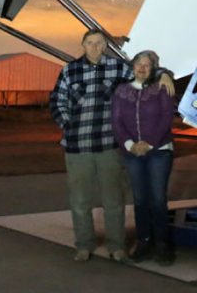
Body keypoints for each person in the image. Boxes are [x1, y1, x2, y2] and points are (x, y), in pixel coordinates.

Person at [49, 29, 173, 263]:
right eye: (91, 43)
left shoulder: (118, 68)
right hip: (78, 146)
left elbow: (144, 72)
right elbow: (57, 100)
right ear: (83, 44)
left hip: (109, 145)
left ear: (105, 46)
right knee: (80, 201)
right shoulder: (69, 70)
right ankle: (84, 245)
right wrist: (67, 124)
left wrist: (164, 74)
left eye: (100, 43)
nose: (96, 47)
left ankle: (116, 247)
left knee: (113, 201)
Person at [111, 50, 177, 266]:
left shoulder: (162, 89)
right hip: (132, 154)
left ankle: (162, 245)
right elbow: (117, 121)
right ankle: (144, 242)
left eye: (147, 64)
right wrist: (130, 145)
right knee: (140, 200)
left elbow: (166, 118)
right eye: (138, 63)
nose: (142, 67)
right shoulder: (121, 91)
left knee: (157, 199)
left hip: (159, 152)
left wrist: (148, 143)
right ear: (133, 67)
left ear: (153, 68)